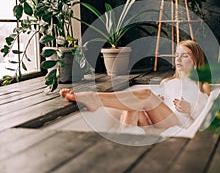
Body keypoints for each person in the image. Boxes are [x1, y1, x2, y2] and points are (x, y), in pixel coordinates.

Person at [60, 40, 210, 130]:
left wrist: (190, 109)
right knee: (133, 106)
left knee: (146, 94)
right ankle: (123, 146)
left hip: (177, 124)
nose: (178, 59)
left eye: (185, 56)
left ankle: (95, 98)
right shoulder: (168, 82)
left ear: (196, 61)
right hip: (157, 121)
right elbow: (161, 101)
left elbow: (206, 118)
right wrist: (159, 100)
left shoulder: (201, 86)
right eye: (177, 55)